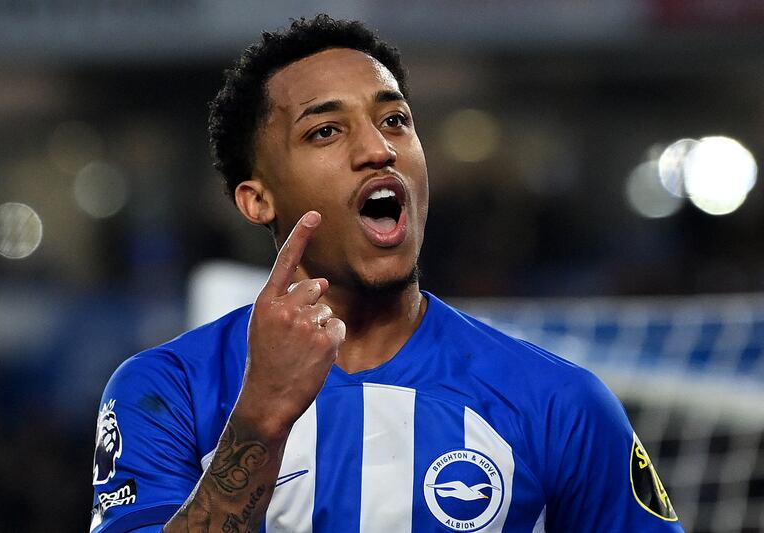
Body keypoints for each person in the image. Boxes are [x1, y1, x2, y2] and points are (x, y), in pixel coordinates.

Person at [90, 14, 684, 533]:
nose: (378, 148)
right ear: (257, 199)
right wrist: (263, 416)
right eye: (325, 130)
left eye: (395, 120)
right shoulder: (167, 390)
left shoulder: (558, 401)